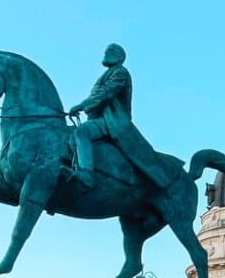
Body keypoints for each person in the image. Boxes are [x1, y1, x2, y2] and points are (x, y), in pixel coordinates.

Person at [68, 43, 170, 188]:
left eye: (110, 52)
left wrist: (81, 106)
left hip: (112, 122)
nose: (105, 54)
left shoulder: (121, 73)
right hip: (101, 119)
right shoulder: (109, 73)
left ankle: (86, 174)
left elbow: (105, 93)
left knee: (81, 133)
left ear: (120, 57)